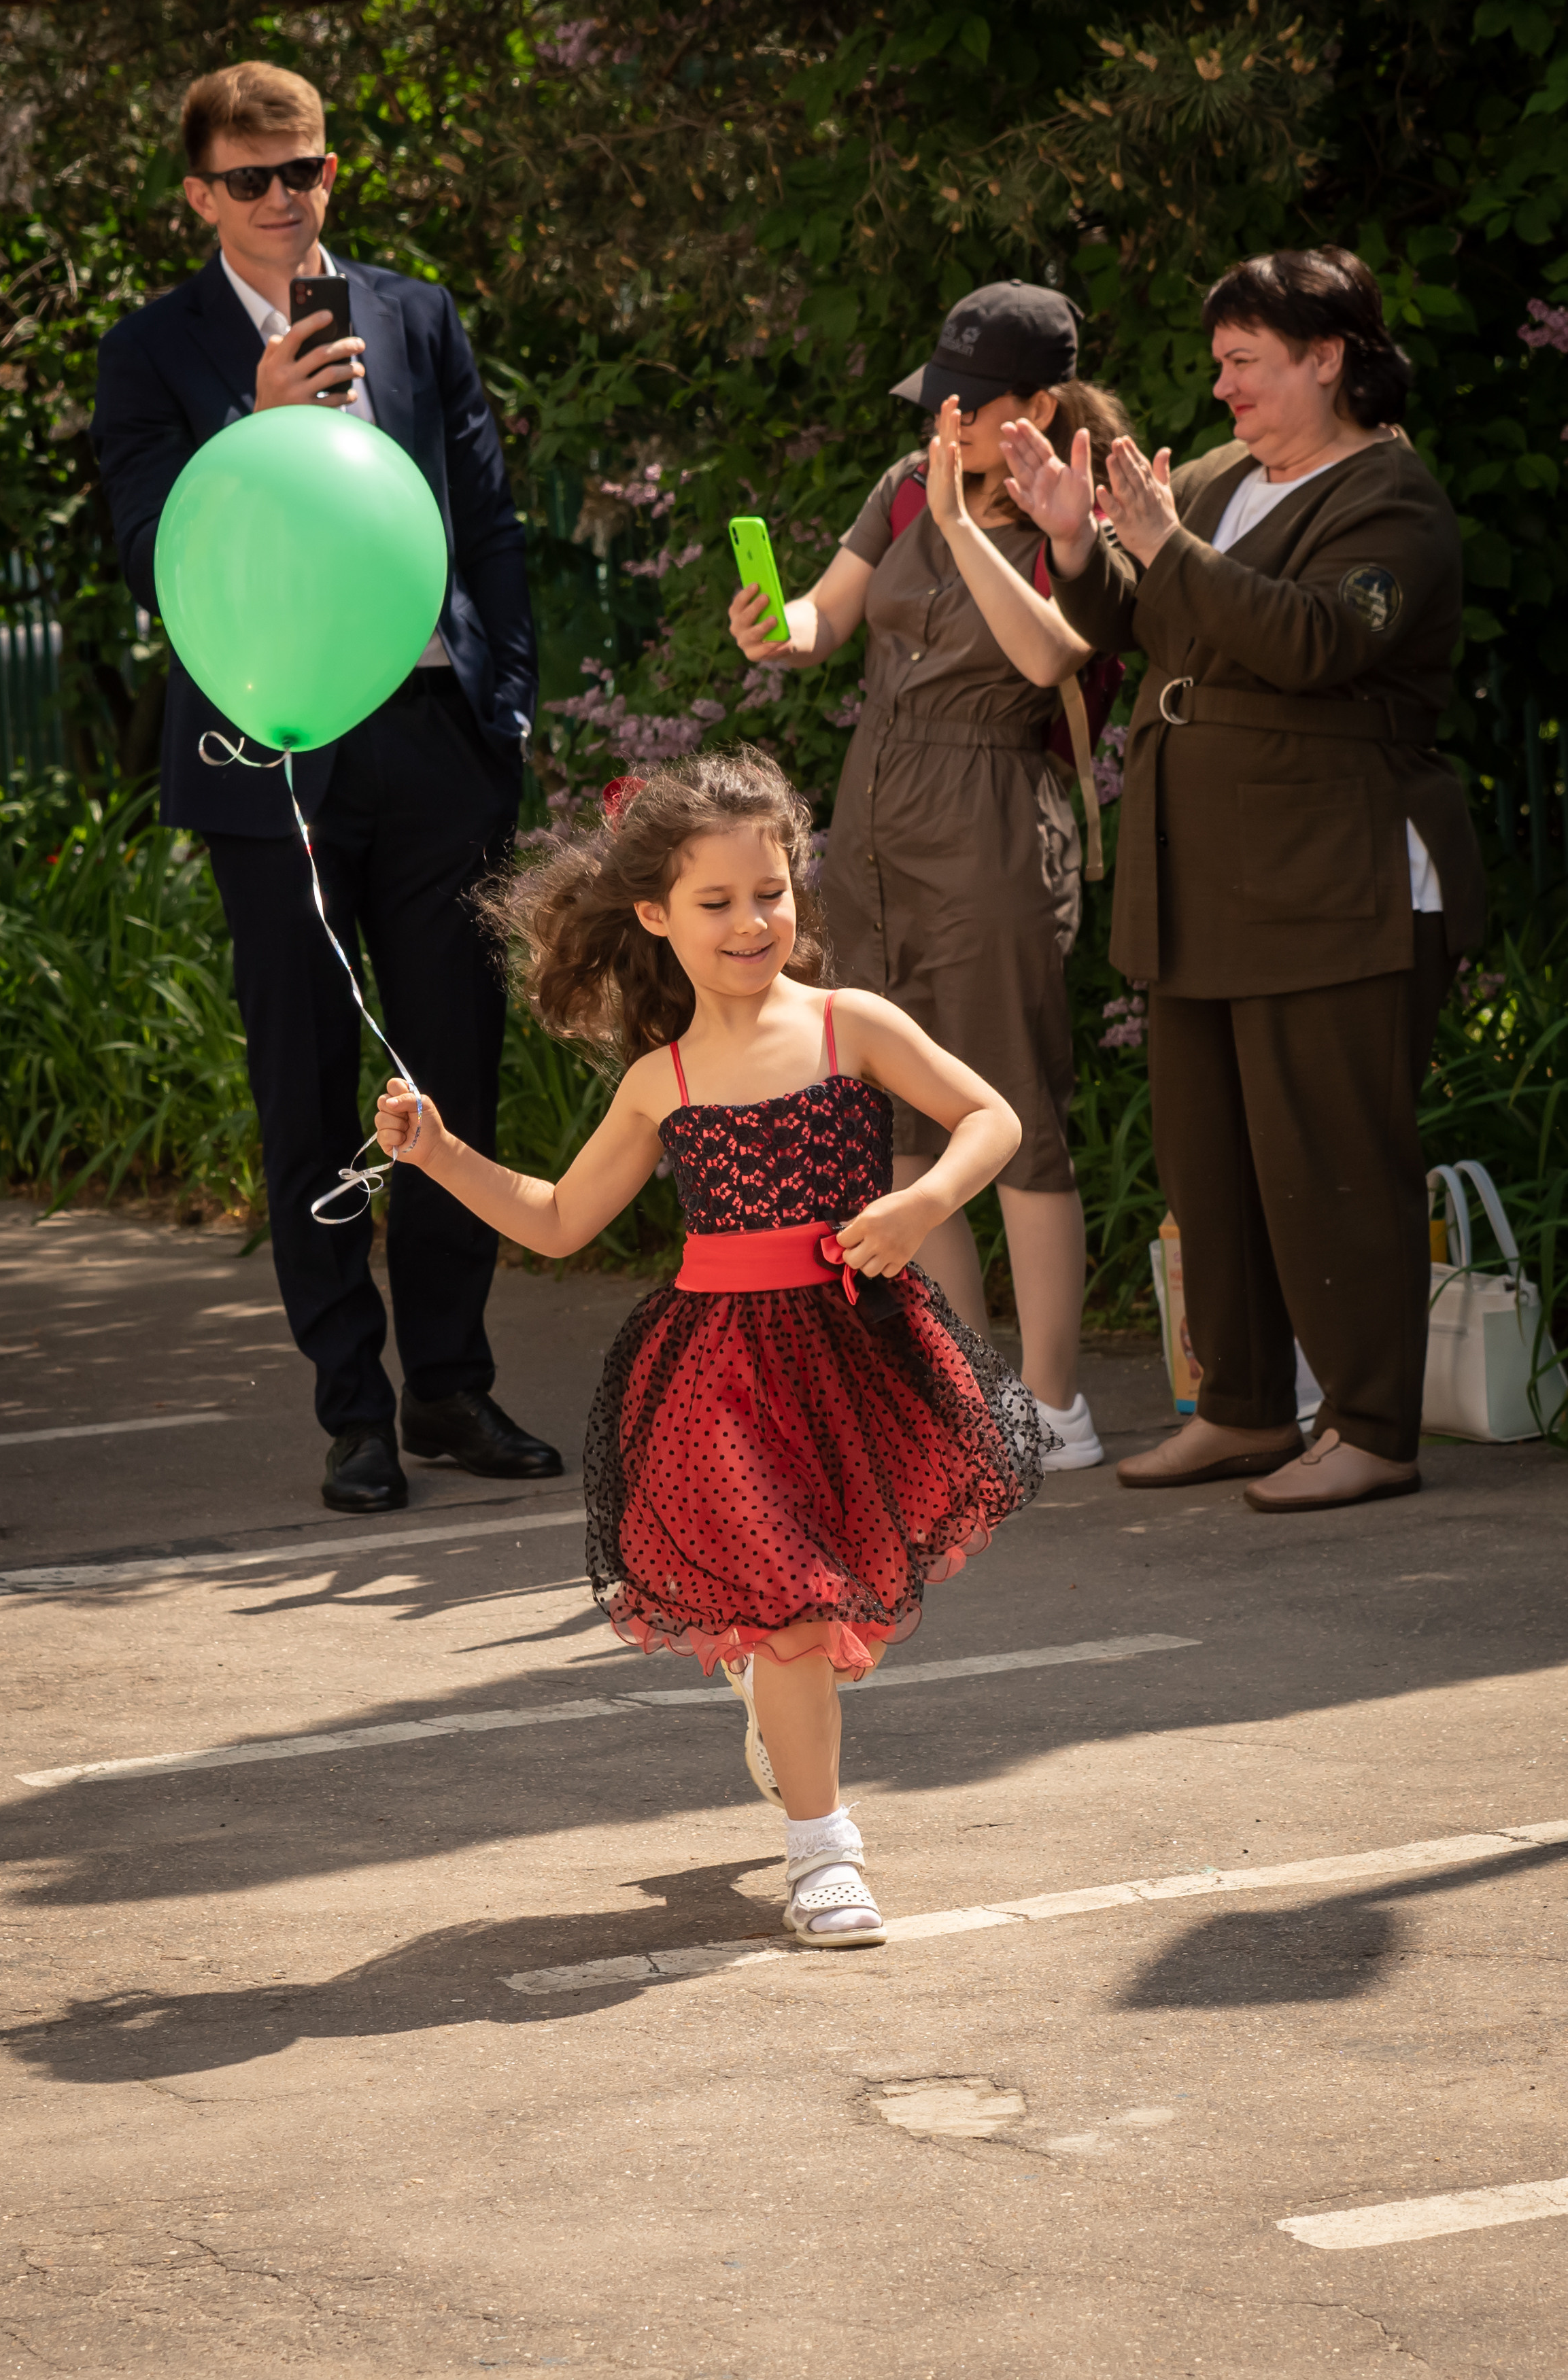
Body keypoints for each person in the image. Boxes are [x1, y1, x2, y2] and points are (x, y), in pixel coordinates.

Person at [371, 752, 1055, 1946]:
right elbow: (555, 1218)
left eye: (771, 893)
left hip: (856, 1352)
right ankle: (823, 1853)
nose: (753, 922)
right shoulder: (662, 1079)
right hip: (719, 1373)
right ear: (655, 917)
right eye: (717, 902)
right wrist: (436, 1154)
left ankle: (777, 1701)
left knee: (833, 1614)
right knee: (794, 1610)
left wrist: (917, 1207)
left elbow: (989, 1117)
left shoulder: (854, 1025)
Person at [92, 61, 560, 1515]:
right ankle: (351, 1408)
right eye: (251, 179)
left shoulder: (416, 313)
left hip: (429, 737)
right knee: (304, 1080)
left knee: (448, 1070)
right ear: (199, 196)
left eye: (305, 173)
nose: (284, 199)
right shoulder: (152, 349)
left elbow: (483, 514)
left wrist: (507, 708)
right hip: (266, 747)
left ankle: (452, 1386)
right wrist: (254, 420)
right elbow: (146, 545)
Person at [1003, 245, 1485, 1513]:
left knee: (1330, 1157)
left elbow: (1314, 642)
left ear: (1328, 358)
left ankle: (1372, 1425)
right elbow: (1138, 619)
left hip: (1333, 881)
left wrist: (1160, 552)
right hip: (1205, 879)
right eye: (1217, 365)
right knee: (1206, 1161)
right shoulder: (1215, 482)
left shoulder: (1394, 499)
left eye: (1246, 364)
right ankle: (1242, 1408)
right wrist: (1074, 543)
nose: (1221, 390)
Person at [728, 281, 1133, 1470]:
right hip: (871, 822)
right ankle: (971, 1393)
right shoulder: (906, 483)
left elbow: (1051, 654)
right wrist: (779, 626)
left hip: (993, 817)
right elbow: (828, 617)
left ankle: (1055, 1403)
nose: (942, 423)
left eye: (968, 404)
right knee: (903, 1120)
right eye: (935, 399)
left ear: (1039, 405)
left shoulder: (1078, 515)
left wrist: (966, 528)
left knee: (1012, 1113)